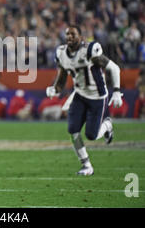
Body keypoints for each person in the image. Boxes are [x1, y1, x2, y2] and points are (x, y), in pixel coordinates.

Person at [46, 25, 123, 176]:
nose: (69, 37)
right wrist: (54, 89)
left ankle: (107, 125)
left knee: (91, 135)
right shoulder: (61, 53)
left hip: (97, 97)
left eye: (73, 34)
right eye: (67, 34)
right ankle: (86, 165)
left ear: (80, 37)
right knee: (72, 130)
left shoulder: (89, 50)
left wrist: (117, 91)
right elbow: (62, 78)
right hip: (80, 95)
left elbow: (114, 68)